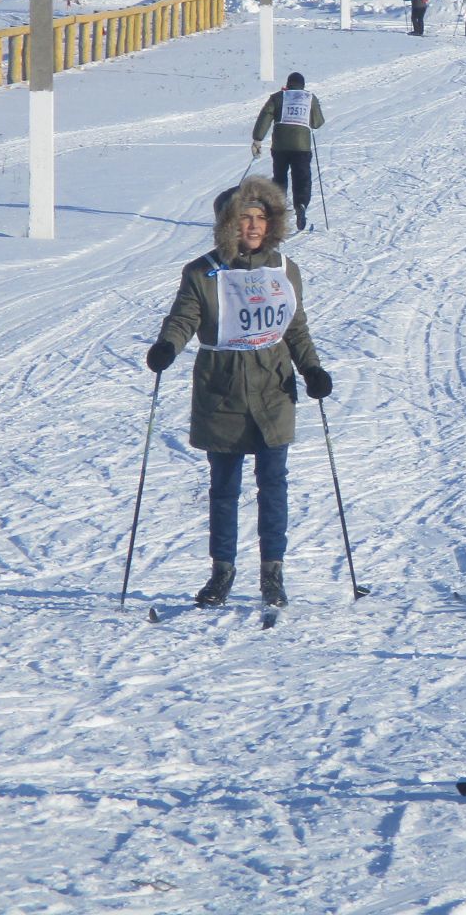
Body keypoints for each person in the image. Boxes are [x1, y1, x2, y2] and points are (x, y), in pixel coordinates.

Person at [146, 177, 332, 608]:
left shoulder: (284, 270)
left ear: (273, 224)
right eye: (244, 218)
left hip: (272, 388)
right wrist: (167, 346)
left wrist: (312, 369)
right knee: (224, 488)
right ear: (228, 224)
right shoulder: (203, 272)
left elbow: (295, 328)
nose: (253, 226)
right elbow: (184, 318)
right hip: (222, 391)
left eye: (261, 218)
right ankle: (222, 572)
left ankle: (273, 574)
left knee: (274, 485)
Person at [251, 72, 325, 232]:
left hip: (280, 147)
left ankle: (278, 209)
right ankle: (301, 204)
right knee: (302, 178)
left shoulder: (278, 97)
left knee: (280, 178)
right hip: (302, 148)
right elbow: (318, 122)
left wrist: (257, 139)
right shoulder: (309, 98)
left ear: (288, 83)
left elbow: (265, 116)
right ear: (302, 85)